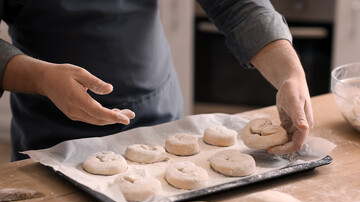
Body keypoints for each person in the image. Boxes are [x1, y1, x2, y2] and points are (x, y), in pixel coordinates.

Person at [0, 0, 313, 162]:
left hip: (161, 122)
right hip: (52, 135)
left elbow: (236, 4)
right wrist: (41, 77)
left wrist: (289, 71)